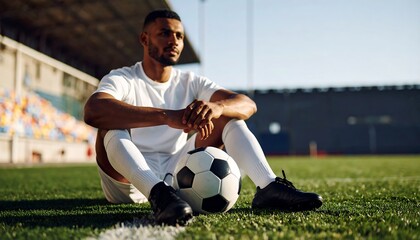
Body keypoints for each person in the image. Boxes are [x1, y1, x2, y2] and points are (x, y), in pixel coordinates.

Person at [84, 9, 322, 226]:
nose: (174, 41)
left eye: (179, 36)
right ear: (144, 39)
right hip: (127, 181)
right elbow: (94, 110)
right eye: (165, 33)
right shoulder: (124, 78)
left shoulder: (191, 81)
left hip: (177, 169)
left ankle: (268, 187)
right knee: (110, 127)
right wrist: (168, 116)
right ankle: (158, 194)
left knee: (229, 117)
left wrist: (217, 107)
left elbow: (247, 104)